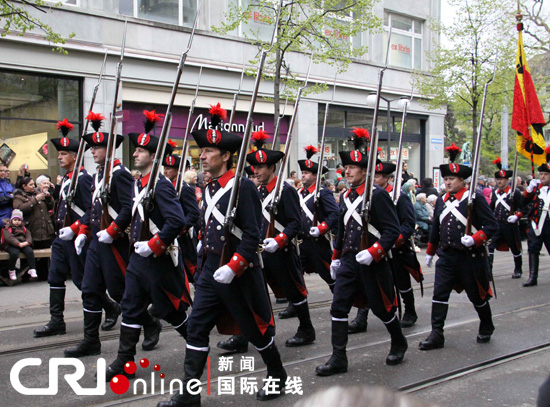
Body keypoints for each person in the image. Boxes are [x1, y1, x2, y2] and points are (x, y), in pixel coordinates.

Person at [156, 104, 287, 407]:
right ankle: (190, 396)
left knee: (255, 330)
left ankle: (277, 373)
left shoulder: (242, 187)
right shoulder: (209, 186)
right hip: (208, 273)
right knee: (197, 329)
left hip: (236, 275)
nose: (201, 155)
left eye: (209, 150)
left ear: (226, 156)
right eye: (201, 150)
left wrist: (234, 266)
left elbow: (253, 234)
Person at [105, 110, 191, 381]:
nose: (135, 154)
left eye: (141, 150)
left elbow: (176, 220)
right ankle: (124, 360)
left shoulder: (161, 185)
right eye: (137, 150)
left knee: (170, 310)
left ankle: (196, 341)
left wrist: (154, 244)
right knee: (130, 306)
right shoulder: (138, 183)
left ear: (153, 156)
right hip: (138, 258)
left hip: (157, 259)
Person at [315, 128, 407, 377]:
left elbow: (392, 231)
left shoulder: (377, 197)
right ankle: (338, 358)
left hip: (372, 263)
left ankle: (398, 341)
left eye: (352, 167)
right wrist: (335, 257)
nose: (346, 171)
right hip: (347, 261)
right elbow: (342, 231)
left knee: (383, 309)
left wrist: (375, 252)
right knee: (338, 308)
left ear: (365, 171)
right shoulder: (345, 196)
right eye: (345, 167)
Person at [63, 111, 135, 358]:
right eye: (92, 148)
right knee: (90, 289)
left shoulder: (120, 174)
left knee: (120, 292)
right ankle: (90, 340)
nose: (92, 152)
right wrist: (82, 231)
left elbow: (128, 208)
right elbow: (92, 210)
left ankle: (149, 323)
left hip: (112, 243)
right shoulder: (97, 176)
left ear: (110, 149)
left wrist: (113, 231)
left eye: (97, 147)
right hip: (96, 242)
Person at [421, 143, 498, 350]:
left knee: (477, 295)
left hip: (469, 256)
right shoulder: (441, 200)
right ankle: (437, 333)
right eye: (445, 179)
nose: (447, 182)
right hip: (446, 256)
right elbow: (436, 227)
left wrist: (476, 238)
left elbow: (491, 225)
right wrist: (430, 251)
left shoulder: (474, 198)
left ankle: (486, 324)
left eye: (451, 179)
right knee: (439, 295)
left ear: (461, 180)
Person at [247, 130, 316, 347]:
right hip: (259, 252)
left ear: (271, 168)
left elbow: (298, 223)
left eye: (259, 167)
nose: (255, 171)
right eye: (254, 167)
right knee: (253, 295)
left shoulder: (285, 191)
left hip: (281, 251)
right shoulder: (255, 191)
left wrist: (280, 240)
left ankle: (307, 329)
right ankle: (247, 336)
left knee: (294, 292)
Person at [33, 119, 95, 338]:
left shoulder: (84, 180)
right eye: (59, 154)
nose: (59, 157)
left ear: (75, 156)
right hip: (61, 238)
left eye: (64, 154)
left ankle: (111, 307)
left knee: (80, 281)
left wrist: (76, 228)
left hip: (77, 236)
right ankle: (56, 321)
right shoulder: (68, 179)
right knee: (55, 276)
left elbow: (91, 210)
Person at [349, 158, 422, 332]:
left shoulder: (399, 197)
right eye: (373, 175)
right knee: (367, 282)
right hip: (373, 247)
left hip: (395, 248)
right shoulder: (367, 196)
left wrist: (394, 241)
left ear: (388, 178)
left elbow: (407, 224)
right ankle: (361, 317)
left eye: (378, 176)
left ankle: (410, 311)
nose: (374, 179)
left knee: (402, 283)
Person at [283, 145, 338, 319]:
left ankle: (339, 301)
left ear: (315, 176)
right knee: (295, 275)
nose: (303, 175)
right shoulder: (298, 193)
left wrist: (321, 228)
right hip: (300, 242)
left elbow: (335, 214)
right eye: (303, 172)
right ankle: (295, 304)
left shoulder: (323, 194)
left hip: (317, 242)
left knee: (328, 273)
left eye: (307, 173)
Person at [163, 153, 200, 284]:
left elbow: (194, 213)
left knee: (192, 270)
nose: (165, 171)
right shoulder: (163, 187)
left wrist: (180, 229)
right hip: (167, 235)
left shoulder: (184, 188)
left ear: (178, 170)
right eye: (165, 167)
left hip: (183, 236)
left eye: (169, 168)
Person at [488, 157, 525, 280]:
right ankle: (488, 271)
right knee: (490, 246)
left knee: (515, 247)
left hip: (509, 225)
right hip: (496, 223)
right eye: (498, 179)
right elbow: (490, 208)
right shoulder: (495, 193)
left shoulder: (515, 193)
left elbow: (523, 207)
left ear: (507, 180)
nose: (499, 181)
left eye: (502, 179)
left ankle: (518, 269)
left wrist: (517, 216)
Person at [521, 147, 550, 287]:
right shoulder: (535, 187)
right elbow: (522, 203)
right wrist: (528, 190)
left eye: (545, 174)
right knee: (532, 250)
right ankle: (533, 277)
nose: (542, 176)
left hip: (549, 225)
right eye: (541, 174)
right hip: (536, 224)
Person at [3, 209, 36, 280]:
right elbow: (9, 237)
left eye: (19, 220)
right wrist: (18, 244)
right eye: (15, 220)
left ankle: (32, 268)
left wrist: (27, 242)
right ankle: (12, 270)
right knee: (15, 253)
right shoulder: (8, 227)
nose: (17, 222)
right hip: (11, 245)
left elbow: (28, 235)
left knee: (29, 251)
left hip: (23, 243)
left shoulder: (23, 227)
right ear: (11, 220)